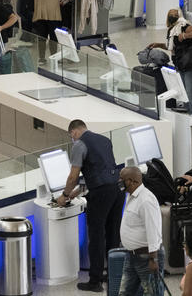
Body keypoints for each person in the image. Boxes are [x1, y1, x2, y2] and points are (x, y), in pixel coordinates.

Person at [57, 120, 123, 292]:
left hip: (100, 194)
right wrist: (75, 193)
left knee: (96, 236)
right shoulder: (104, 140)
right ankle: (113, 275)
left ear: (74, 132)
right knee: (113, 234)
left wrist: (64, 196)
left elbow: (73, 176)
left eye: (71, 136)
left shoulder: (79, 144)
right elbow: (100, 170)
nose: (72, 139)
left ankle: (95, 281)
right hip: (117, 189)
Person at [115, 166, 165, 296]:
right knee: (125, 293)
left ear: (133, 181)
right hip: (131, 255)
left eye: (122, 179)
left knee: (153, 293)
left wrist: (153, 259)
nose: (119, 182)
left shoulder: (146, 200)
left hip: (147, 257)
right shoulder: (131, 196)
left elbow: (153, 229)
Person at [167, 8, 192, 126]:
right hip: (180, 64)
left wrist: (185, 35)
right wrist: (157, 45)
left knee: (190, 92)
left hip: (190, 65)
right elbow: (172, 47)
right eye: (171, 14)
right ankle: (188, 114)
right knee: (184, 93)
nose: (173, 16)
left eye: (175, 14)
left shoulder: (183, 25)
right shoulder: (172, 30)